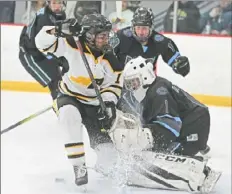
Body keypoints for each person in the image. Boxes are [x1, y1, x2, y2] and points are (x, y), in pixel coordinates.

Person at [107, 56, 221, 193]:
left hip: (195, 126)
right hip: (188, 124)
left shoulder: (159, 92)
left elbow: (170, 126)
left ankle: (202, 174)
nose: (132, 87)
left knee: (159, 154)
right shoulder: (148, 90)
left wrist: (144, 138)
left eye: (134, 82)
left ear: (144, 77)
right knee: (152, 149)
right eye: (129, 83)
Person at [35, 14, 123, 186]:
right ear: (89, 35)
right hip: (70, 97)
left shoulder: (110, 57)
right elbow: (40, 42)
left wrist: (109, 103)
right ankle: (78, 165)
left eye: (107, 34)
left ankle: (103, 167)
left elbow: (114, 85)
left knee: (109, 157)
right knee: (69, 115)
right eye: (102, 35)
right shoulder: (71, 44)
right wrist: (58, 29)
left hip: (95, 105)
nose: (106, 39)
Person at [113, 7, 190, 77]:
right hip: (122, 82)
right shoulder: (121, 37)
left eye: (144, 28)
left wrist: (180, 66)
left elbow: (175, 61)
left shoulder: (160, 41)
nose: (140, 32)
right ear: (133, 26)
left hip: (147, 83)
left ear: (151, 28)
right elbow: (105, 55)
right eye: (138, 27)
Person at [19, 0, 66, 101]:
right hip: (30, 54)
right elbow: (39, 45)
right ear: (49, 4)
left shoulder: (60, 15)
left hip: (43, 52)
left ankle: (62, 102)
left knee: (61, 79)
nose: (57, 6)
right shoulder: (44, 18)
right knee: (54, 80)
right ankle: (60, 103)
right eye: (54, 3)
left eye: (59, 3)